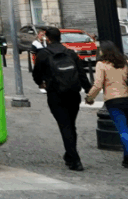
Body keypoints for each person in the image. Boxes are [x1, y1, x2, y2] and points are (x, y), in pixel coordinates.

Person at [32, 26, 92, 171]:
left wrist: (41, 83)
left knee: (65, 125)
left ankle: (75, 160)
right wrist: (88, 91)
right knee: (71, 124)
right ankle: (70, 155)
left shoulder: (43, 54)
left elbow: (36, 74)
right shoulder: (70, 53)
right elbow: (81, 73)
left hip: (55, 94)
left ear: (47, 38)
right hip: (73, 93)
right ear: (60, 38)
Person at [84, 41, 128, 168]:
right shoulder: (124, 62)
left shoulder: (101, 64)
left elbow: (98, 84)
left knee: (123, 130)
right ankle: (126, 158)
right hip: (126, 97)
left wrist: (89, 98)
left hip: (113, 100)